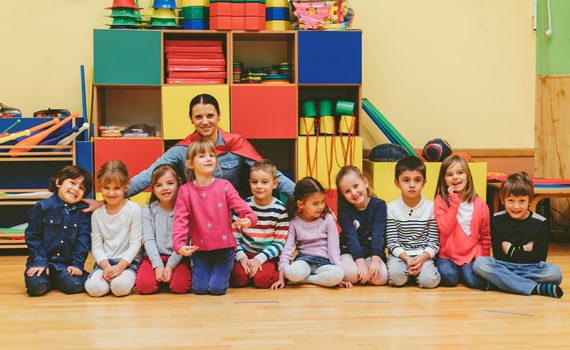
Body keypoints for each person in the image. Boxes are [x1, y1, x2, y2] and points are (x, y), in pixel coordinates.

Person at [128, 94, 295, 198]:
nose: (205, 121)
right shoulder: (183, 149)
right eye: (199, 117)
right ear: (191, 120)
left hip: (232, 215)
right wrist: (116, 196)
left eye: (210, 115)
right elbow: (150, 173)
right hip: (196, 215)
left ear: (218, 116)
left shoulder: (235, 144)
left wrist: (304, 196)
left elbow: (272, 174)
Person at [173, 139, 257, 296]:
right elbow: (180, 221)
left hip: (224, 250)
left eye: (212, 155)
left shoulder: (225, 186)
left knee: (216, 290)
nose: (209, 158)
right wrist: (179, 245)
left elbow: (246, 210)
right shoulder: (185, 191)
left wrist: (248, 219)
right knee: (199, 290)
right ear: (190, 164)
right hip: (199, 250)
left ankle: (224, 271)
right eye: (202, 156)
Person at [473, 172, 563, 298]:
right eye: (511, 200)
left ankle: (501, 283)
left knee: (555, 273)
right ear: (502, 200)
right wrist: (524, 249)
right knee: (479, 264)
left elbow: (539, 257)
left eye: (522, 201)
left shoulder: (540, 222)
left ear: (529, 200)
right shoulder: (496, 220)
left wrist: (511, 250)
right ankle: (535, 288)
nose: (516, 206)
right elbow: (499, 255)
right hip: (504, 266)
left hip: (531, 268)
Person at [23, 165, 93, 296]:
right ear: (58, 182)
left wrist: (77, 265)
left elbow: (83, 241)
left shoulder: (83, 212)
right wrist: (39, 261)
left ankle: (59, 280)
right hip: (43, 261)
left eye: (81, 188)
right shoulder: (42, 207)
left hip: (66, 265)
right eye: (72, 183)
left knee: (74, 285)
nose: (75, 189)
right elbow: (33, 237)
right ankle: (52, 280)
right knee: (36, 287)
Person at [271, 177, 348, 289]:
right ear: (301, 204)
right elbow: (287, 250)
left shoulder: (328, 219)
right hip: (304, 261)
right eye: (315, 203)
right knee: (291, 272)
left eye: (322, 201)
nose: (321, 206)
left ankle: (306, 280)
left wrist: (341, 278)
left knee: (338, 274)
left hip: (324, 263)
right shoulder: (294, 221)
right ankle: (316, 279)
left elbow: (334, 251)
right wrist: (281, 278)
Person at [84, 161, 142, 297]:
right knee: (95, 289)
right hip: (105, 262)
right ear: (100, 187)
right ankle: (105, 278)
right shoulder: (97, 214)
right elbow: (97, 246)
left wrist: (120, 267)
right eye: (106, 188)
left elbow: (135, 244)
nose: (111, 193)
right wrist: (106, 267)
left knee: (119, 287)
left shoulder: (134, 210)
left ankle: (120, 279)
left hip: (128, 263)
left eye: (116, 188)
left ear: (126, 186)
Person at [230, 160, 289, 289]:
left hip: (267, 255)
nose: (259, 186)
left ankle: (258, 273)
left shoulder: (280, 209)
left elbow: (279, 243)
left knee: (263, 280)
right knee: (237, 278)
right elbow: (234, 237)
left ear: (274, 184)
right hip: (245, 253)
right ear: (250, 183)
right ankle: (250, 272)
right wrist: (242, 258)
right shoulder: (243, 206)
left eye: (264, 182)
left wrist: (259, 259)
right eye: (254, 182)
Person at [434, 155, 490, 289]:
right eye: (450, 174)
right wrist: (454, 202)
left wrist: (484, 260)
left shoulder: (480, 204)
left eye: (460, 172)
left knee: (474, 281)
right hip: (446, 255)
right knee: (449, 277)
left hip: (469, 255)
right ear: (444, 179)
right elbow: (445, 230)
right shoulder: (440, 201)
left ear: (468, 175)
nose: (455, 177)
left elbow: (485, 236)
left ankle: (464, 272)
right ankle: (456, 271)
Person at [135, 164, 191, 294]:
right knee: (145, 286)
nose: (165, 188)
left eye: (170, 183)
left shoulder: (185, 210)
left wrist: (170, 266)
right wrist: (158, 265)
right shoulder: (148, 209)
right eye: (159, 185)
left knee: (180, 287)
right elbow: (148, 240)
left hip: (178, 257)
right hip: (153, 257)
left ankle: (167, 277)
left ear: (179, 184)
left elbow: (183, 242)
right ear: (153, 189)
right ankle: (160, 277)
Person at [386, 156, 441, 289]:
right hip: (400, 255)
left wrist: (422, 258)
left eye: (417, 180)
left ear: (424, 182)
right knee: (396, 279)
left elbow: (434, 241)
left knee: (430, 281)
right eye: (406, 180)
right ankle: (410, 274)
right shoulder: (392, 207)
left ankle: (417, 274)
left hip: (423, 255)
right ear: (397, 183)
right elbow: (392, 241)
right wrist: (407, 259)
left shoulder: (431, 207)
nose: (412, 185)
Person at [336, 165, 388, 287]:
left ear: (365, 182)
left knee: (381, 278)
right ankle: (361, 272)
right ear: (343, 195)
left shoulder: (379, 205)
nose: (354, 193)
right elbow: (351, 237)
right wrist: (360, 264)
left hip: (371, 252)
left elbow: (378, 234)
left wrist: (375, 262)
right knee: (351, 274)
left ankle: (366, 272)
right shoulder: (344, 209)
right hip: (349, 251)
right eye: (347, 191)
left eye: (356, 186)